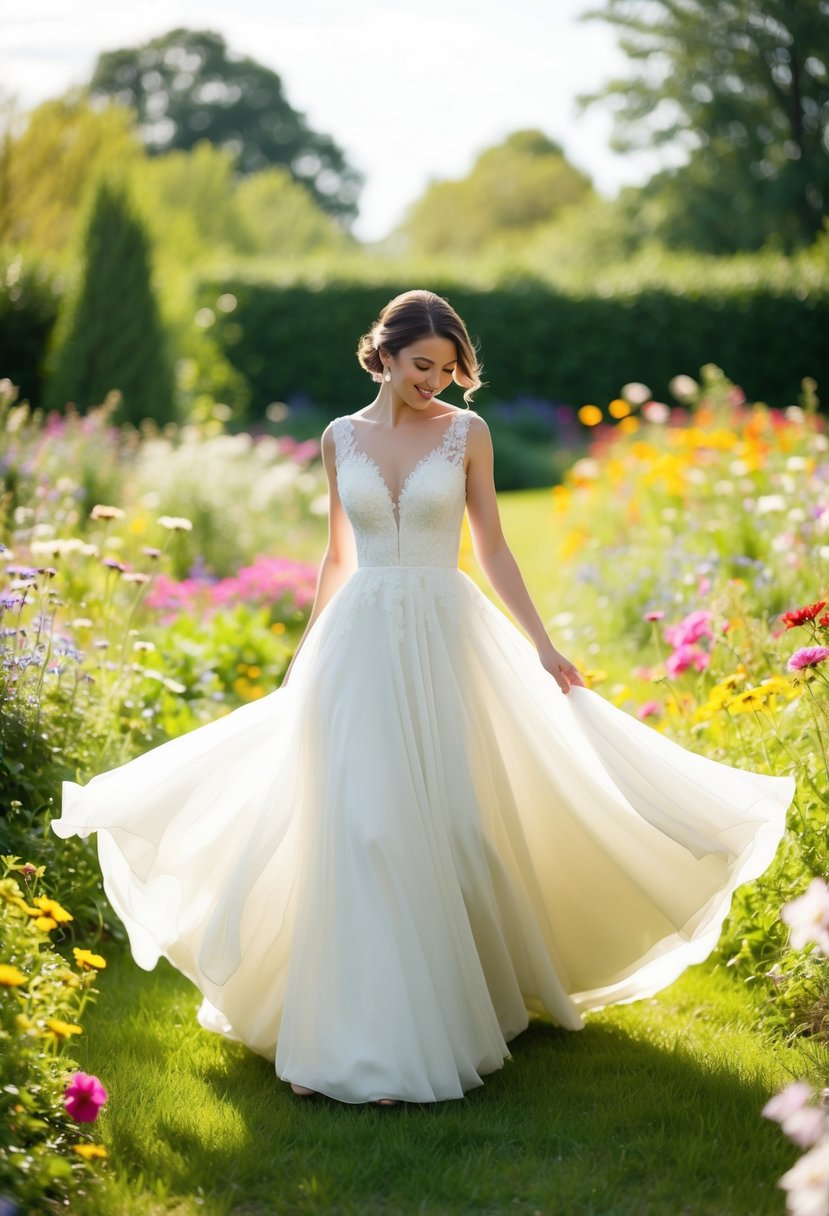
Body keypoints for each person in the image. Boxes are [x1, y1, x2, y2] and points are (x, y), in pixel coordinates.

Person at [51, 289, 795, 1108]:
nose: (434, 381)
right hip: (359, 646)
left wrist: (545, 645)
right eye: (421, 366)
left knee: (452, 826)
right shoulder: (339, 439)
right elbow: (337, 558)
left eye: (447, 369)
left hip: (447, 640)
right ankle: (341, 1039)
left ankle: (453, 1006)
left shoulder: (466, 434)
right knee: (360, 827)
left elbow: (494, 547)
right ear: (385, 354)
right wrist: (306, 657)